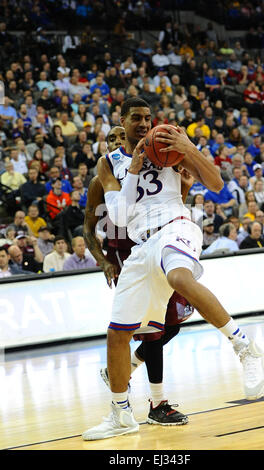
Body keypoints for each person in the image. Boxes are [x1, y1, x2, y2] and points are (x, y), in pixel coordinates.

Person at [82, 97, 264, 441]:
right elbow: (119, 218)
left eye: (148, 117)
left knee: (179, 277)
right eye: (136, 118)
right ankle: (121, 412)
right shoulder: (108, 165)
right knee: (117, 333)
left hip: (175, 225)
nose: (143, 123)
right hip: (140, 245)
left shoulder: (168, 143)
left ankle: (244, 347)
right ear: (121, 123)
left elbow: (216, 185)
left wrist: (190, 147)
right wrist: (135, 169)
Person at [83, 125, 191, 426]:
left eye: (122, 136)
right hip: (126, 253)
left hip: (160, 242)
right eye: (112, 139)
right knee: (150, 331)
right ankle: (157, 404)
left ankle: (123, 369)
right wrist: (103, 260)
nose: (119, 141)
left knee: (172, 326)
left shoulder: (156, 165)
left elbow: (176, 200)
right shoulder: (102, 177)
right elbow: (88, 227)